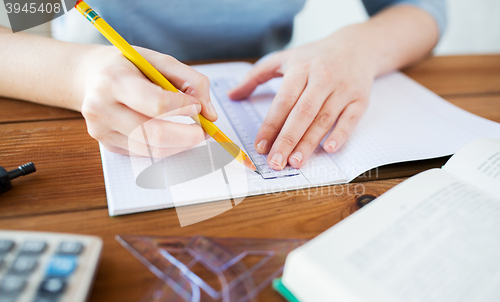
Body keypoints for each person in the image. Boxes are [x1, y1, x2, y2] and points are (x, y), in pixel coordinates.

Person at [0, 0, 446, 170]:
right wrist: (76, 74)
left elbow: (424, 9)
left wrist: (358, 47)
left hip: (257, 77)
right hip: (84, 112)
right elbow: (16, 16)